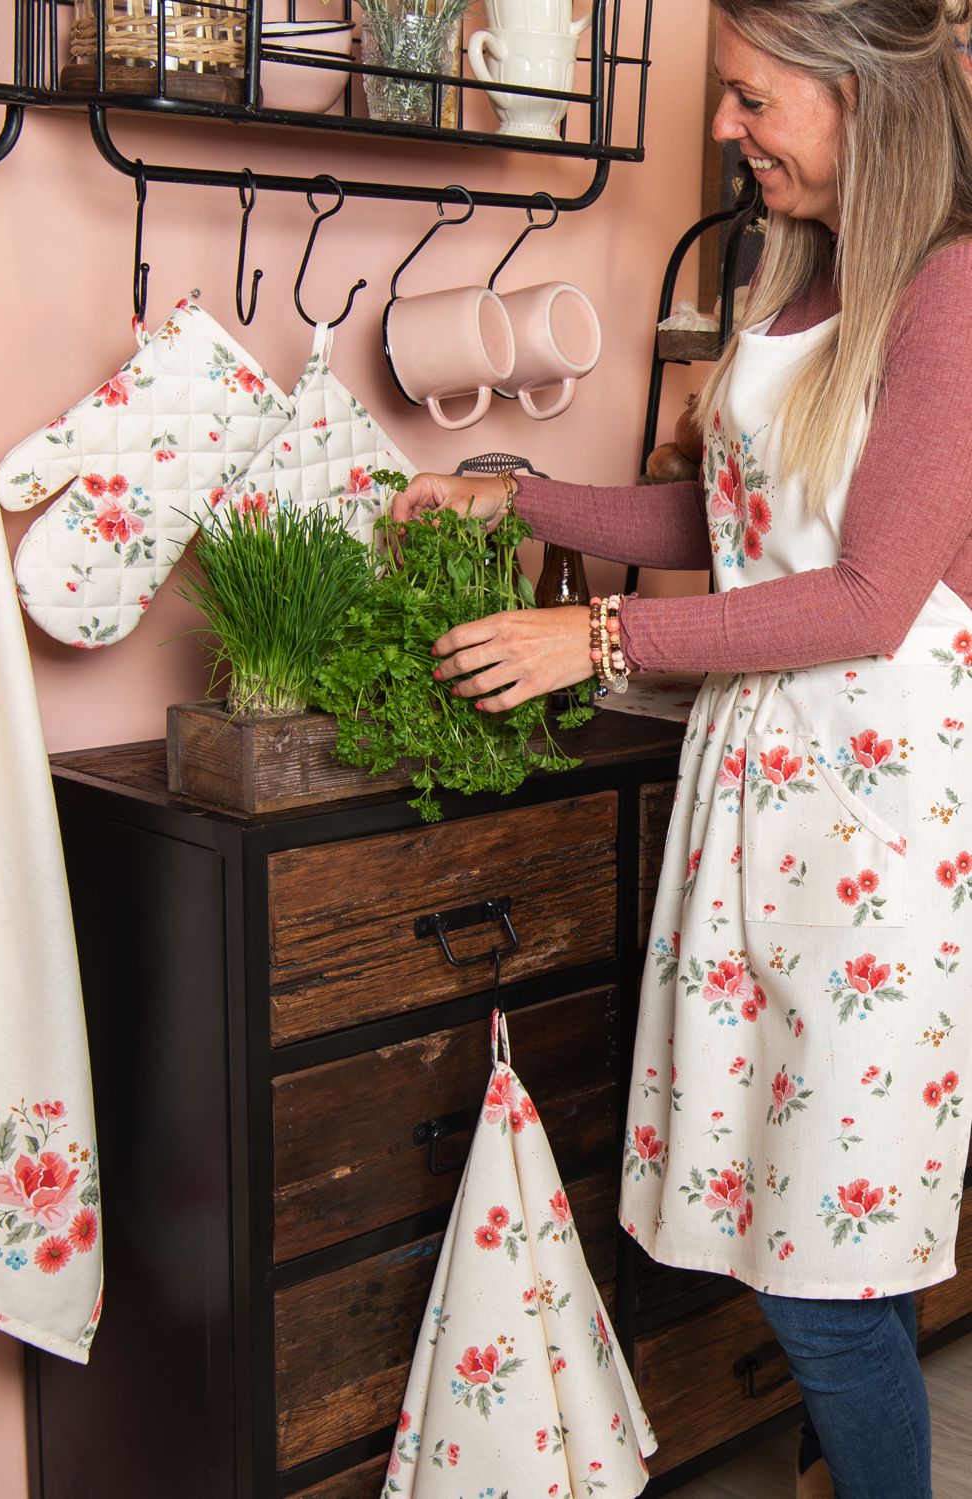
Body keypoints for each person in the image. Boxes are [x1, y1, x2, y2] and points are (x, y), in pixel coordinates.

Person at [393, 3, 972, 1495]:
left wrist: (592, 639)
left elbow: (866, 596)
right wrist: (515, 497)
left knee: (822, 1279)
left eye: (751, 98)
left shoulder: (953, 291)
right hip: (770, 800)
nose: (722, 129)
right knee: (836, 1244)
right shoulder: (798, 269)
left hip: (878, 834)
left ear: (861, 97)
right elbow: (736, 526)